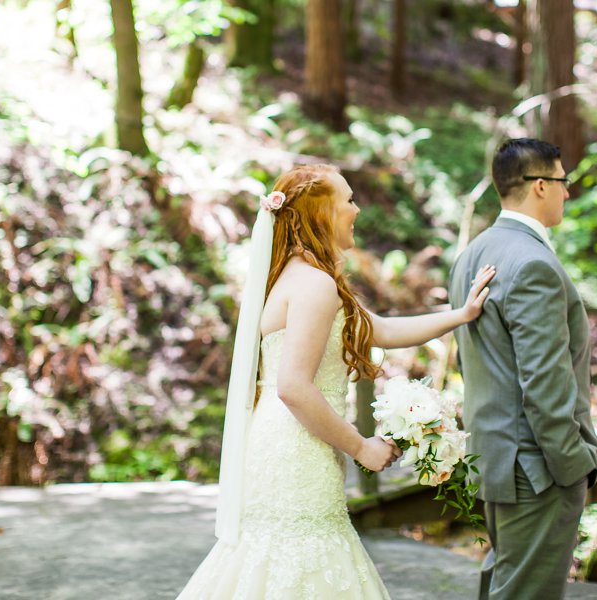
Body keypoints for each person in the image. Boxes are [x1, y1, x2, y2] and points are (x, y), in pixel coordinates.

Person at [177, 164, 495, 599]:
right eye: (347, 200)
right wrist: (362, 447)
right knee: (302, 549)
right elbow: (294, 386)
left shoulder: (295, 276)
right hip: (297, 444)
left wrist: (460, 316)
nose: (357, 209)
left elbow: (379, 329)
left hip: (282, 439)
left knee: (273, 554)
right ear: (320, 213)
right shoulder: (315, 285)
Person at [448, 138, 597, 600]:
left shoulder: (471, 256)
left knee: (505, 587)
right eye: (563, 182)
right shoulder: (534, 262)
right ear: (540, 185)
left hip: (494, 459)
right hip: (536, 466)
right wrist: (572, 465)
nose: (567, 193)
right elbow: (543, 380)